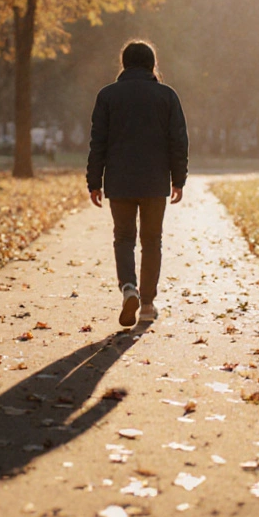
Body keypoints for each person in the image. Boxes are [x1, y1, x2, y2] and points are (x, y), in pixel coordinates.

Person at [86, 40, 188, 327]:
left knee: (124, 238)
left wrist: (94, 181)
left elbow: (98, 143)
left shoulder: (107, 96)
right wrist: (178, 179)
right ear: (152, 64)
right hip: (155, 181)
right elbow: (178, 140)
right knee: (152, 241)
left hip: (119, 181)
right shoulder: (167, 96)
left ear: (124, 63)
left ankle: (128, 287)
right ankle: (147, 304)